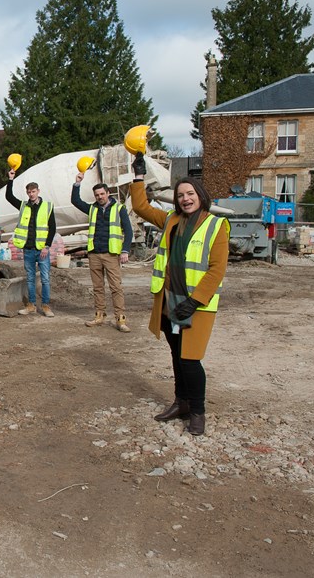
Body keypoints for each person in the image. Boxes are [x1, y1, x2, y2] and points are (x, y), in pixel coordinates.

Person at [130, 153, 230, 436]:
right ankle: (181, 403)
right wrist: (138, 177)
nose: (185, 199)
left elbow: (216, 269)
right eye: (180, 195)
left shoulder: (216, 226)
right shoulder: (171, 220)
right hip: (170, 301)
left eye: (190, 193)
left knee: (190, 359)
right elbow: (140, 206)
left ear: (200, 195)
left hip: (197, 305)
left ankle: (197, 412)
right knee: (176, 354)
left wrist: (195, 300)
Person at [71, 171, 134, 332]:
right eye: (97, 195)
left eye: (102, 194)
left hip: (111, 254)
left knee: (116, 287)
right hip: (94, 254)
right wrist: (77, 183)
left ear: (108, 193)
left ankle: (120, 318)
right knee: (98, 287)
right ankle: (99, 315)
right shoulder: (92, 209)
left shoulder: (119, 209)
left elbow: (128, 230)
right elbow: (75, 201)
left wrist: (125, 250)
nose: (99, 197)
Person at [5, 170, 57, 317]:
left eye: (33, 191)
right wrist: (10, 179)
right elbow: (9, 197)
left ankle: (46, 306)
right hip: (28, 249)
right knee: (30, 279)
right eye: (29, 192)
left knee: (45, 279)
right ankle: (31, 305)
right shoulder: (23, 206)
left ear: (38, 191)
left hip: (42, 250)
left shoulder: (47, 206)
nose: (31, 194)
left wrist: (47, 245)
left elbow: (52, 228)